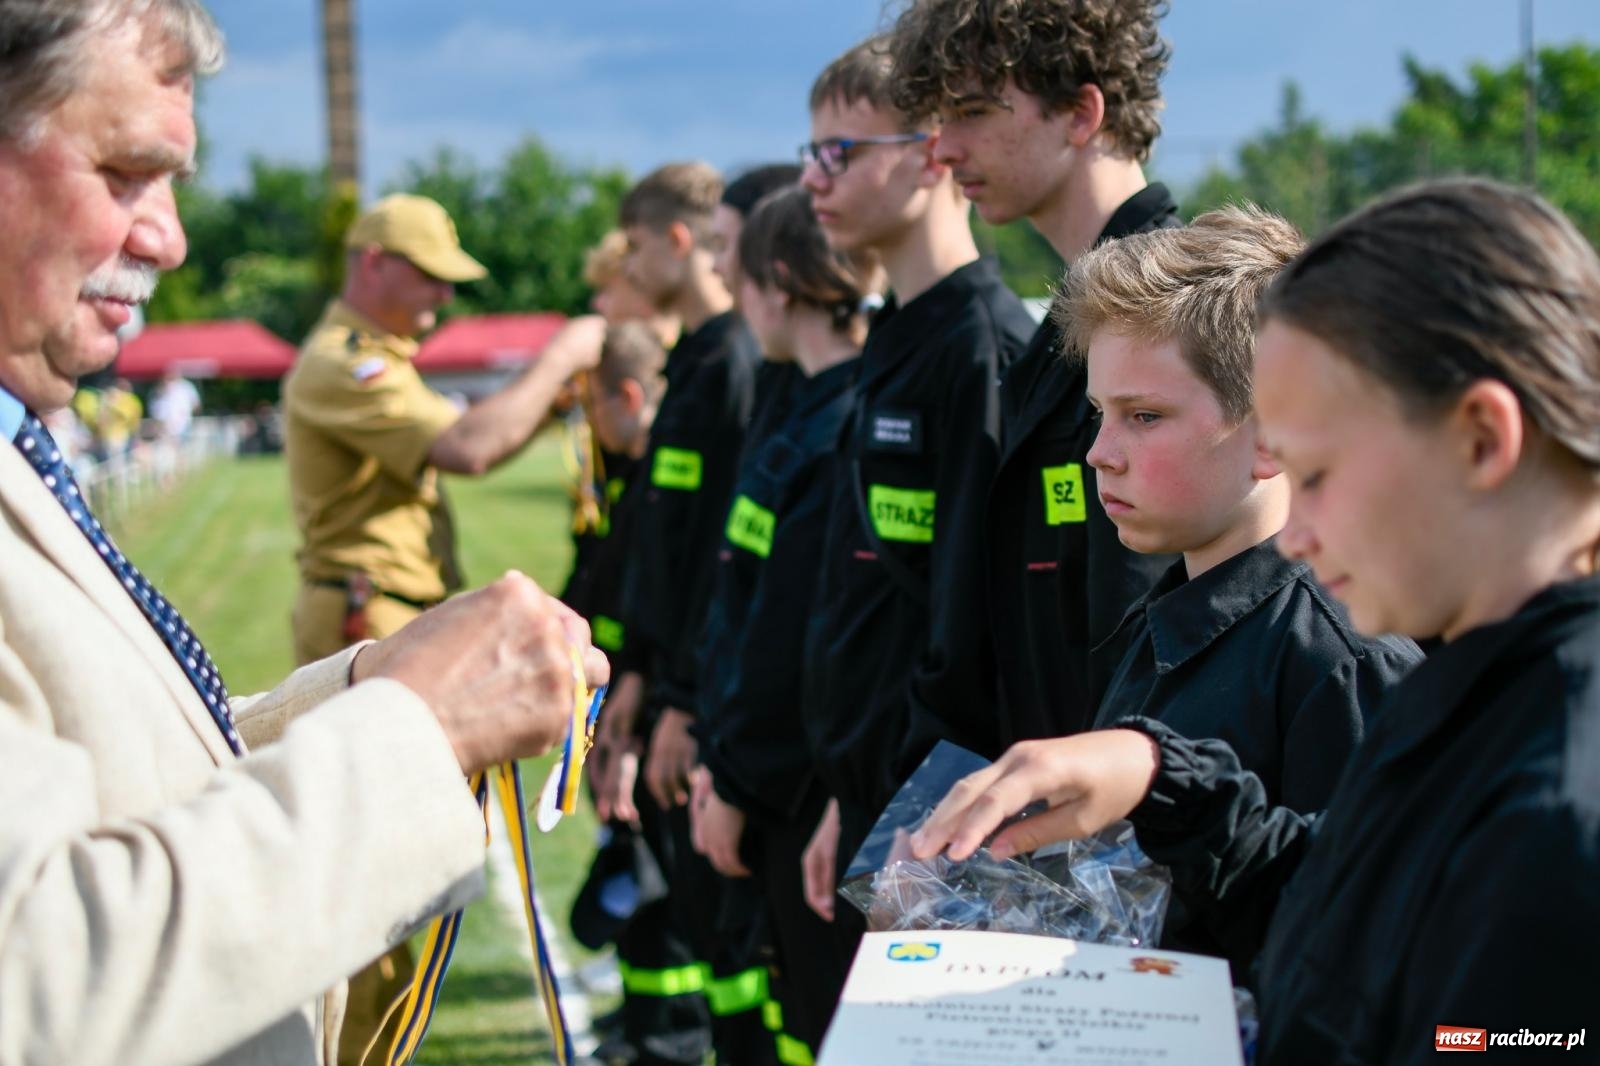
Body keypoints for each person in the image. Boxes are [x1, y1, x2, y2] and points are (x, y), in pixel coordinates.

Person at [0, 4, 606, 1064]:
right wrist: (419, 727)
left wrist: (371, 688)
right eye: (127, 172)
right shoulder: (347, 361)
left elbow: (123, 779)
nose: (169, 236)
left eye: (174, 183)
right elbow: (39, 976)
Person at [911, 179, 1600, 1063]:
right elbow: (1347, 901)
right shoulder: (1487, 694)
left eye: (1317, 473)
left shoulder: (1561, 802)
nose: (1300, 532)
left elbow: (1493, 1037)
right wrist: (1165, 780)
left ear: (1480, 441)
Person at [1061, 206, 1422, 965]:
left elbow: (1359, 945)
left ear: (1269, 437)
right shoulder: (1165, 614)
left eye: (1144, 416)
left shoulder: (1342, 661)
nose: (1100, 452)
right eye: (1100, 414)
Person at [796, 35, 1034, 983]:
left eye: (838, 152)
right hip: (866, 795)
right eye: (811, 153)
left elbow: (971, 626)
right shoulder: (895, 334)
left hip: (930, 818)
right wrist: (836, 797)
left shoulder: (979, 349)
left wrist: (909, 825)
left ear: (931, 150)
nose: (813, 178)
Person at [886, 0, 1181, 757]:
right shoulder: (1071, 320)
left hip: (1139, 826)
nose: (945, 149)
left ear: (1081, 113)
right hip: (1058, 822)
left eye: (975, 112)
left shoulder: (1174, 316)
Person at [283, 193, 607, 666]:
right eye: (431, 274)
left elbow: (471, 439)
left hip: (383, 605)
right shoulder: (344, 363)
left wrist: (548, 407)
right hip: (366, 612)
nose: (446, 294)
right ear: (375, 262)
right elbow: (467, 447)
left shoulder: (374, 355)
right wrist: (561, 357)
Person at [690, 185, 866, 1061]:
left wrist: (736, 779)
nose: (727, 284)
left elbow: (795, 638)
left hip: (792, 791)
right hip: (760, 777)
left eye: (742, 270)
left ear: (783, 283)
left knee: (816, 1024)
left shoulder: (843, 424)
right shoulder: (792, 402)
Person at [617, 161, 770, 1066]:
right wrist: (639, 668)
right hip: (670, 683)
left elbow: (725, 560)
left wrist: (683, 696)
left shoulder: (737, 363)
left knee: (732, 929)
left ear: (680, 240)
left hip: (704, 698)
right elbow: (663, 549)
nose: (629, 269)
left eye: (638, 246)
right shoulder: (694, 360)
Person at [150, 362, 201, 439]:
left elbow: (195, 405)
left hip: (183, 424)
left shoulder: (186, 386)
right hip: (167, 426)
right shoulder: (160, 388)